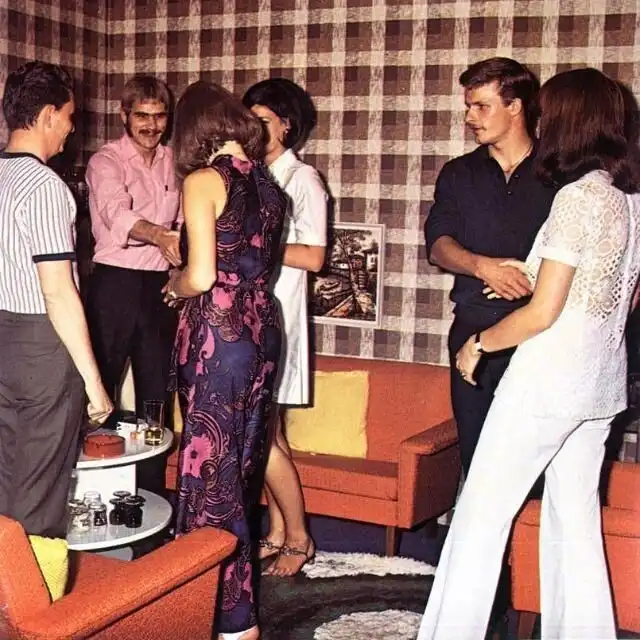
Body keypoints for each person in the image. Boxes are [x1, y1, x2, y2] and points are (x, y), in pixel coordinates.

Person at [418, 67, 640, 640]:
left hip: (546, 380)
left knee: (479, 516)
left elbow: (543, 313)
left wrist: (479, 344)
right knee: (575, 522)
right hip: (599, 383)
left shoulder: (575, 198)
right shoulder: (628, 200)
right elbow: (620, 296)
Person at [164, 81, 287, 640]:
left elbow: (202, 275)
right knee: (240, 468)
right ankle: (221, 609)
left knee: (210, 474)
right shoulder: (269, 185)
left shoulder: (202, 180)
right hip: (262, 329)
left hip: (219, 334)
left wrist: (175, 286)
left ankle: (229, 619)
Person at [425, 57, 558, 477]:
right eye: (468, 106)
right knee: (479, 460)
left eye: (481, 106)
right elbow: (438, 246)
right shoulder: (458, 173)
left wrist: (532, 281)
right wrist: (483, 267)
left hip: (541, 337)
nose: (470, 117)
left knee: (534, 465)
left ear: (515, 107)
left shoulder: (560, 173)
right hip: (473, 334)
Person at [0, 61, 113, 537]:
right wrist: (95, 384)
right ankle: (32, 585)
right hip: (41, 348)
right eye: (69, 116)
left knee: (5, 479)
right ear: (48, 115)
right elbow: (58, 291)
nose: (71, 128)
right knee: (41, 495)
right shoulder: (46, 188)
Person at [242, 77, 328, 576]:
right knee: (272, 437)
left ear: (287, 126)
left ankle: (299, 538)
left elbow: (314, 256)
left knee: (264, 438)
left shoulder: (303, 179)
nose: (253, 130)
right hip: (254, 321)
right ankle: (277, 531)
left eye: (264, 122)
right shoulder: (254, 177)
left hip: (280, 320)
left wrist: (249, 245)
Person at [85, 75, 180, 494]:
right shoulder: (105, 161)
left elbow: (184, 220)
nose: (151, 125)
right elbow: (115, 214)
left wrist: (180, 268)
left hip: (159, 288)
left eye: (159, 116)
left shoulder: (175, 161)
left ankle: (153, 497)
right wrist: (160, 235)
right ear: (124, 115)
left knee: (156, 398)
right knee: (99, 391)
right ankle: (97, 492)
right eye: (142, 115)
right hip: (114, 285)